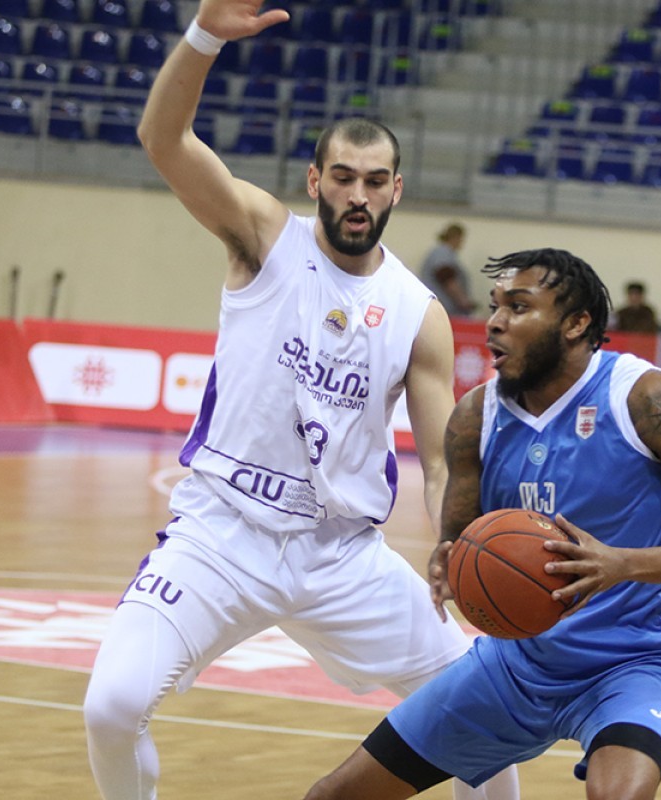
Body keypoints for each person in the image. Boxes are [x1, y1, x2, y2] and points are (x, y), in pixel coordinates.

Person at [81, 2, 518, 799]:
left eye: (375, 181)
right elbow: (163, 140)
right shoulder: (262, 237)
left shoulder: (417, 314)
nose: (358, 195)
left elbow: (439, 462)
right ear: (316, 181)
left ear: (396, 190)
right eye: (342, 177)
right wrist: (204, 36)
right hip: (223, 532)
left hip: (340, 553)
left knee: (483, 715)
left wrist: (453, 539)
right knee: (112, 706)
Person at [303, 248, 661, 800]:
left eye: (518, 307)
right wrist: (451, 562)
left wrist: (620, 564)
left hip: (630, 663)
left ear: (576, 323)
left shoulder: (646, 399)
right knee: (333, 796)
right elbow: (461, 540)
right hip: (514, 666)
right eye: (495, 306)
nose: (495, 321)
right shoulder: (475, 416)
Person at [419, 222, 477, 317]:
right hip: (444, 310)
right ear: (455, 237)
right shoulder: (442, 253)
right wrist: (463, 300)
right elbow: (446, 276)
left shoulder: (444, 254)